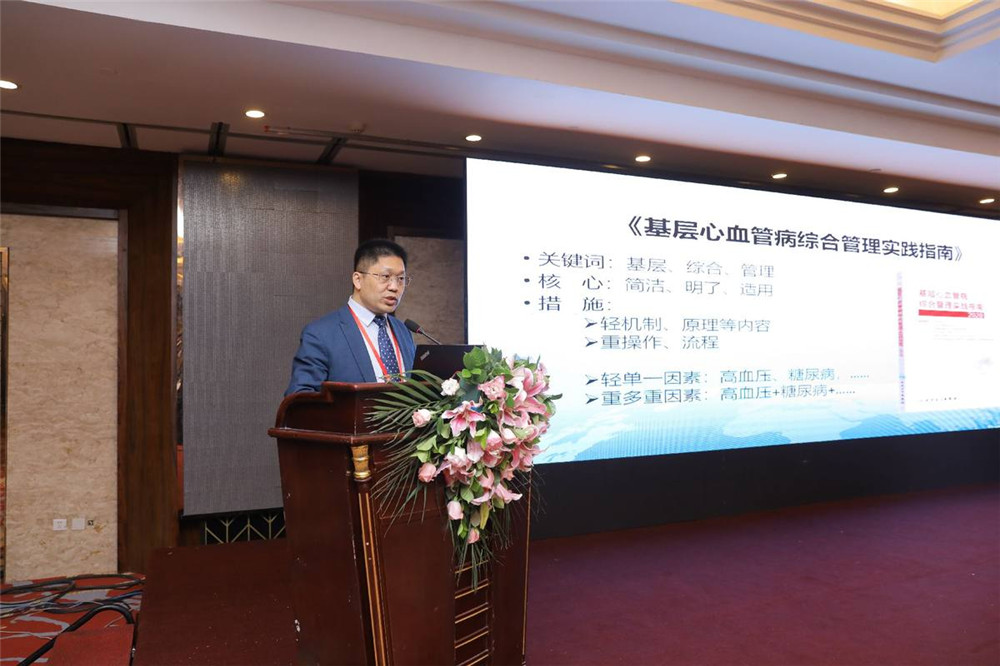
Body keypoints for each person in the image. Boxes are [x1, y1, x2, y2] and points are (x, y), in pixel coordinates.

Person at [285, 239, 416, 394]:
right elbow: (300, 396)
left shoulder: (403, 331)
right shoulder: (320, 334)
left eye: (401, 279)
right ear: (358, 280)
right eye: (385, 276)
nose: (394, 287)